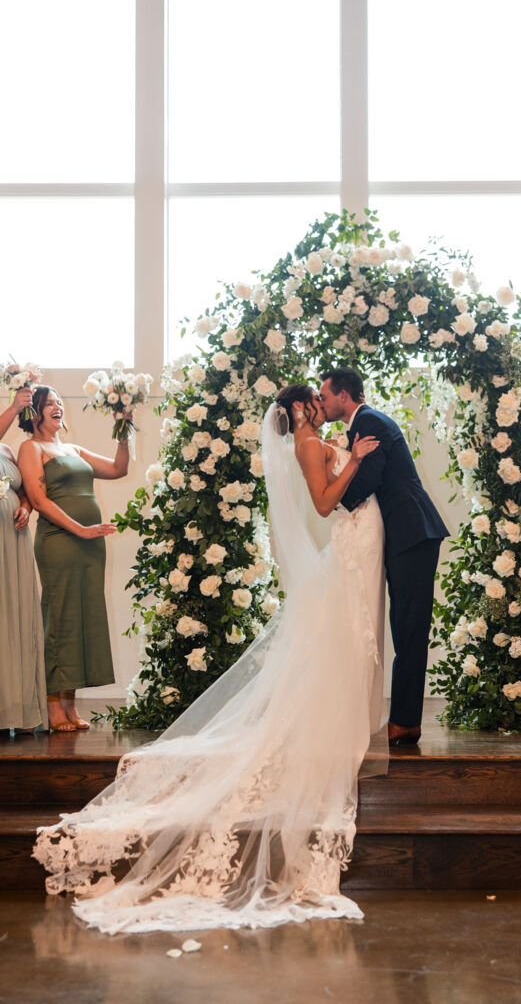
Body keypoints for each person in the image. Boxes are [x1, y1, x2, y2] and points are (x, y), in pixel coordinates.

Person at [34, 387, 386, 933]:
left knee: (339, 640)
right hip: (347, 538)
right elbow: (324, 501)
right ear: (297, 411)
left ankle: (341, 720)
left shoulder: (317, 439)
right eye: (311, 399)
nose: (318, 401)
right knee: (337, 639)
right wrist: (356, 461)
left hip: (354, 541)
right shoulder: (308, 443)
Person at [319, 367, 449, 746]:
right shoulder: (363, 423)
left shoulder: (370, 421)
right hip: (405, 534)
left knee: (410, 628)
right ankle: (404, 718)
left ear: (344, 395)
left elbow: (363, 486)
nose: (322, 404)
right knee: (404, 624)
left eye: (325, 396)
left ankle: (406, 720)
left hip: (412, 533)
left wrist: (329, 486)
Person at [17, 387, 125, 732]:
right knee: (60, 618)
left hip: (90, 543)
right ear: (34, 413)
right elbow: (39, 498)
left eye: (59, 402)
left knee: (82, 617)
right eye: (49, 404)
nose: (57, 407)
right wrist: (80, 529)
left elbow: (119, 468)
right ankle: (52, 709)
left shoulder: (73, 449)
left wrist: (125, 429)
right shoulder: (31, 448)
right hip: (60, 541)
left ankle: (70, 706)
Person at [0, 387, 48, 734]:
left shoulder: (5, 449)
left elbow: (20, 491)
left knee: (14, 617)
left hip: (13, 540)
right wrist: (14, 405)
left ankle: (13, 710)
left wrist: (26, 509)